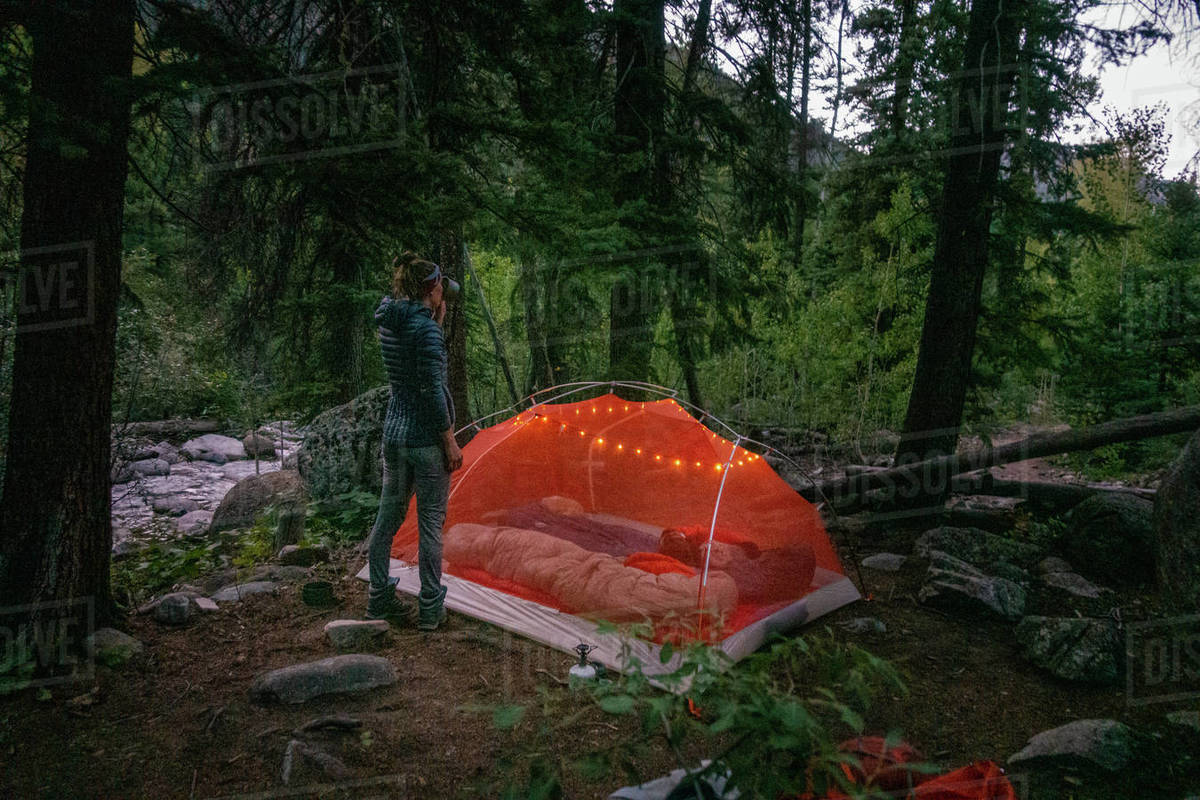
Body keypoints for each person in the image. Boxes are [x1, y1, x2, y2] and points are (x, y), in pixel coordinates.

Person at [365, 251, 463, 631]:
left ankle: (379, 598)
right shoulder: (425, 331)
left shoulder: (391, 320)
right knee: (430, 525)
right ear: (432, 288)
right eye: (440, 286)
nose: (444, 291)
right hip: (425, 441)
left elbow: (409, 363)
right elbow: (432, 390)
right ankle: (429, 606)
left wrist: (433, 321)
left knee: (387, 519)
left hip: (394, 435)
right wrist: (449, 441)